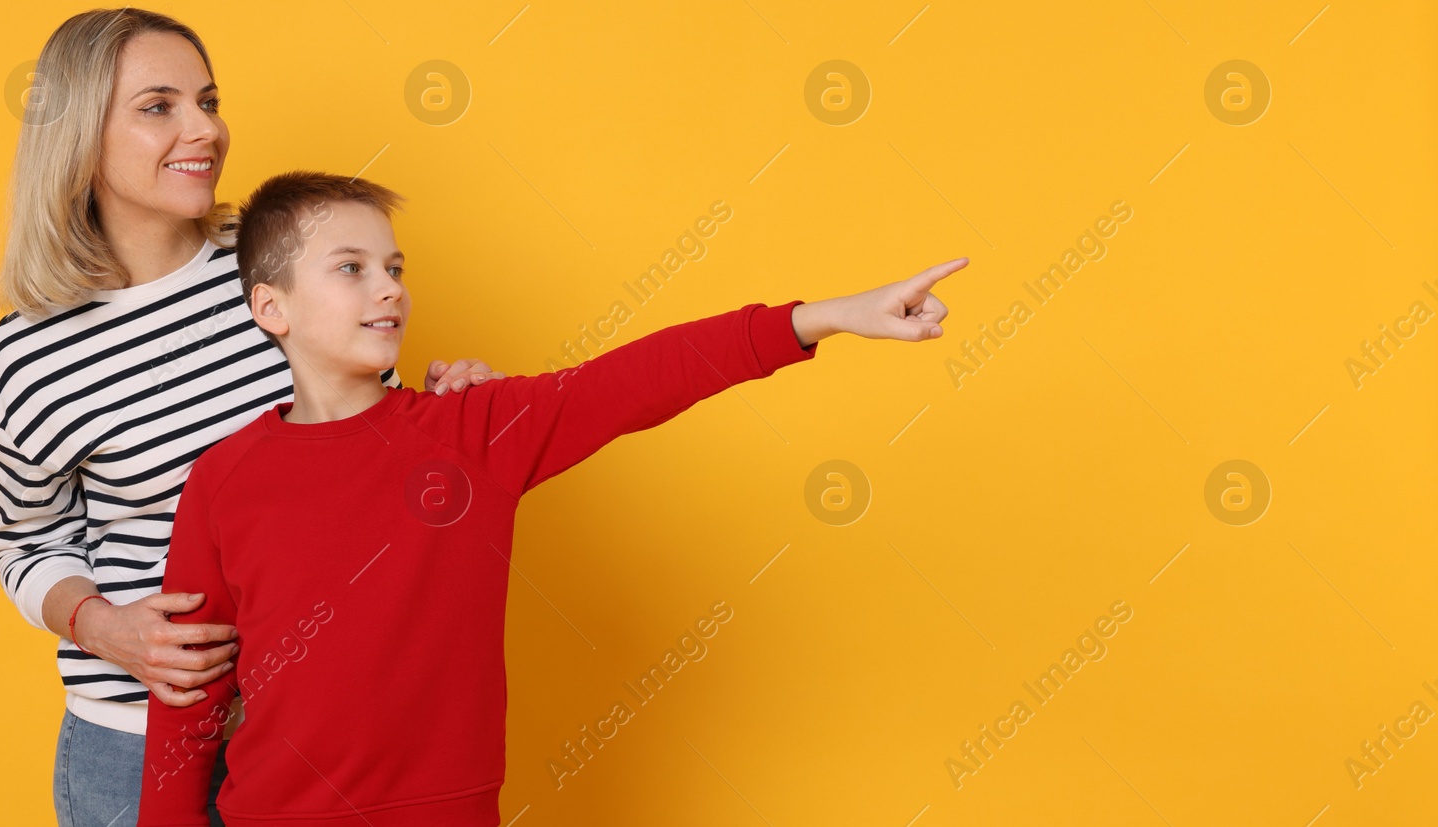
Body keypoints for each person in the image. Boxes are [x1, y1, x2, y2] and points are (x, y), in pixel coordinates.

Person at [136, 169, 968, 825]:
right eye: (351, 269)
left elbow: (638, 379)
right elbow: (190, 688)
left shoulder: (474, 430)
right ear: (270, 307)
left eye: (394, 268)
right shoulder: (223, 478)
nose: (388, 287)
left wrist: (825, 317)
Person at [0, 8, 503, 827]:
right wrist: (103, 625)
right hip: (132, 746)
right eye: (159, 106)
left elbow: (367, 451)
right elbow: (27, 541)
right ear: (80, 136)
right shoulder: (31, 353)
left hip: (311, 735)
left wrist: (453, 411)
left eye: (209, 99)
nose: (206, 129)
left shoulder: (282, 265)